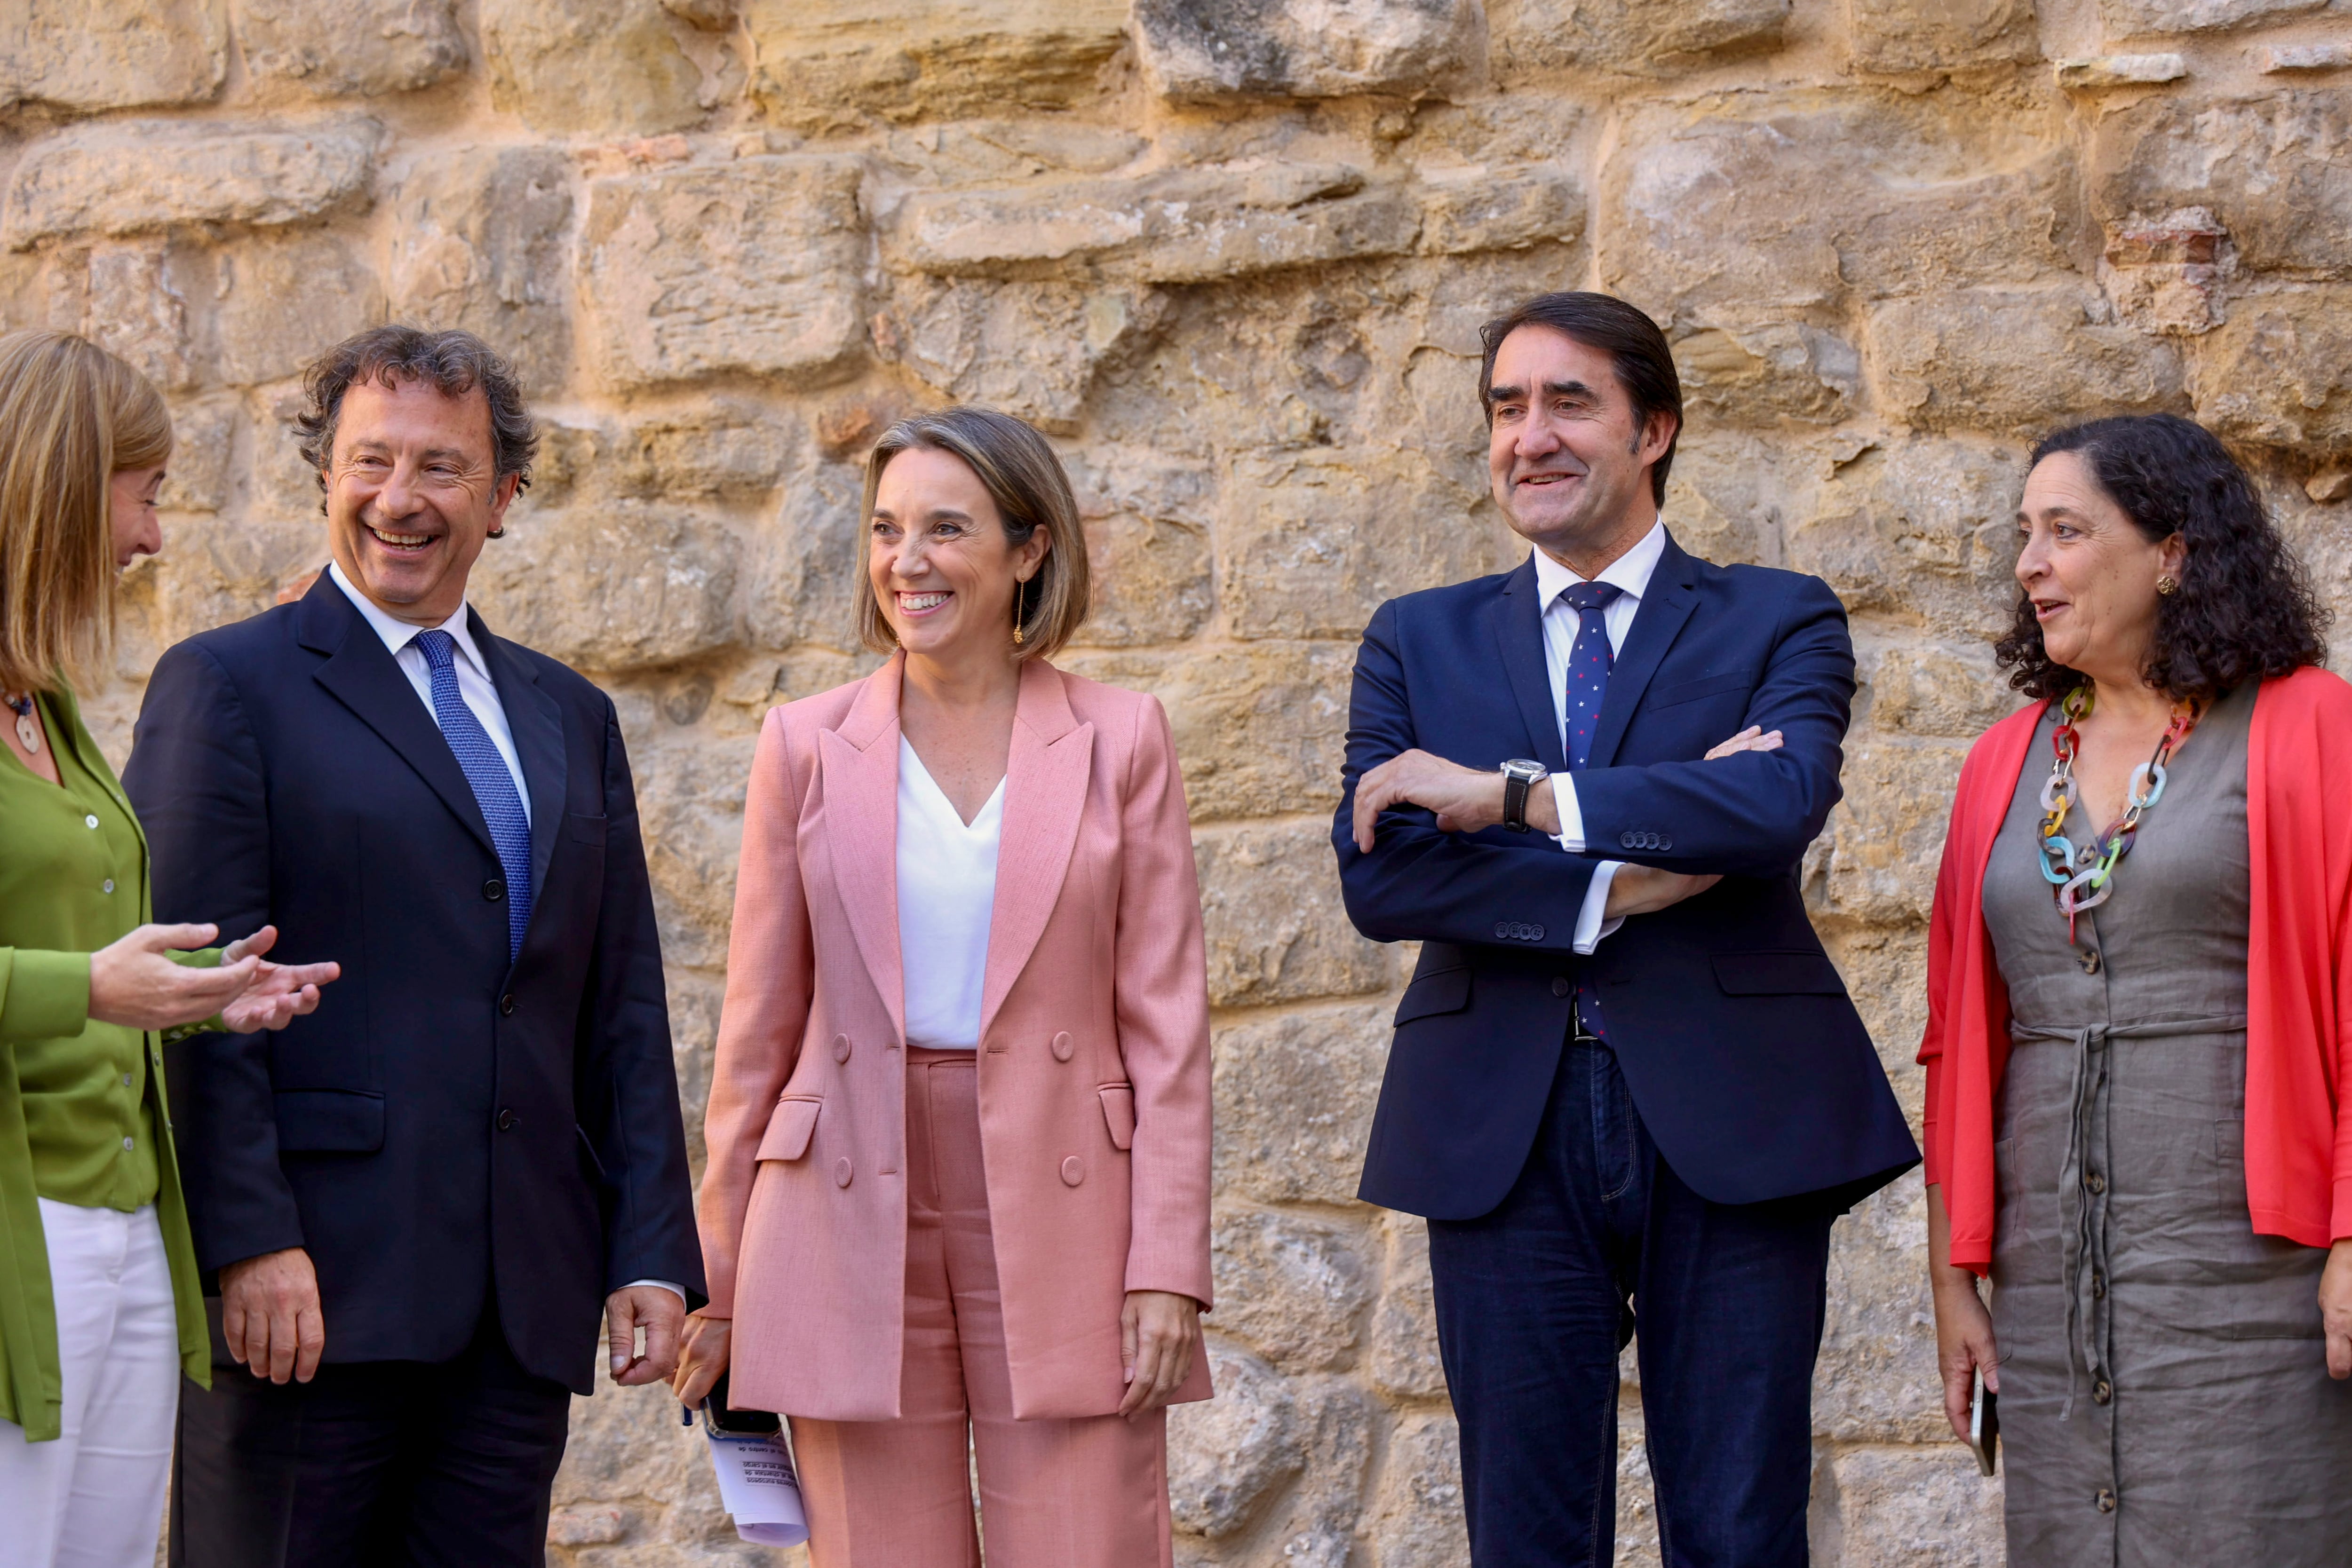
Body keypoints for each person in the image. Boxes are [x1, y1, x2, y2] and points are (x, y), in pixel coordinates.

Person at [1333, 291, 1918, 1567]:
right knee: (1526, 1533)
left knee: (1740, 1525)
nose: (1528, 435)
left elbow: (1771, 805)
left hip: (1736, 1112)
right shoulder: (1415, 635)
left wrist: (1512, 800)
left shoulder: (1777, 613)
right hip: (1498, 1119)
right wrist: (1619, 880)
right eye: (1505, 406)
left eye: (1567, 401)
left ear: (1653, 427)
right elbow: (1383, 878)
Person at [121, 326, 706, 1568]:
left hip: (515, 1312)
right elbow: (189, 990)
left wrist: (651, 1243)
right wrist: (248, 1239)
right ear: (325, 476)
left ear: (502, 498)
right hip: (309, 1299)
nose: (401, 498)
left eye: (441, 468)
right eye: (369, 461)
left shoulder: (571, 713)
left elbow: (618, 1003)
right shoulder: (227, 684)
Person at [676, 406, 1213, 1566]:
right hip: (842, 1191)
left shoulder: (1122, 738)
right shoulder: (805, 743)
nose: (905, 561)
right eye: (885, 529)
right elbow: (757, 1032)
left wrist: (1168, 1264)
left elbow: (1166, 1025)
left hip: (1069, 1188)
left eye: (944, 528)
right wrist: (716, 1276)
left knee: (1088, 1545)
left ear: (1029, 549)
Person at [1921, 414, 2352, 1565]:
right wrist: (1953, 1272)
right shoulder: (1999, 762)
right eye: (2025, 533)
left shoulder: (2312, 723)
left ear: (2171, 551)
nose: (2030, 563)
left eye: (2064, 530)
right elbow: (1958, 1039)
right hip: (2049, 1268)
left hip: (2253, 1269)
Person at [0, 330, 337, 1568]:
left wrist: (206, 1001)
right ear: (61, 485)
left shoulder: (45, 705)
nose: (152, 535)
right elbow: (73, 976)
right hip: (18, 1236)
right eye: (142, 493)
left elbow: (77, 958)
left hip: (126, 1223)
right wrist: (93, 983)